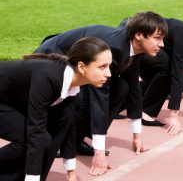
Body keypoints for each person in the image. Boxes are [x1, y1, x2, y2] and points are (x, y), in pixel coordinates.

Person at [34, 11, 168, 176]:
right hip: (55, 57)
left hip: (82, 68)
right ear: (139, 35)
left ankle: (76, 140)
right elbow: (100, 98)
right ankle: (58, 141)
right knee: (83, 101)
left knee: (122, 87)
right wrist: (99, 152)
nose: (162, 44)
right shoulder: (115, 48)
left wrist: (137, 135)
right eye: (157, 37)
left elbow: (134, 88)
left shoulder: (133, 49)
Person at [0, 37, 112, 181]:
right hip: (4, 101)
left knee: (65, 116)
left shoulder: (72, 88)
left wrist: (71, 171)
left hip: (11, 100)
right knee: (36, 139)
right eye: (102, 67)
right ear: (82, 67)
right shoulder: (47, 78)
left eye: (109, 66)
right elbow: (36, 128)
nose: (108, 73)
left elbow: (69, 127)